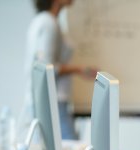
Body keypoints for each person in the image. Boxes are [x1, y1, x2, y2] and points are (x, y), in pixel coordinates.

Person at [21, 0, 96, 140]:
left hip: (48, 101)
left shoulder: (43, 21)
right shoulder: (48, 24)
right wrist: (80, 69)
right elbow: (46, 68)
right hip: (53, 102)